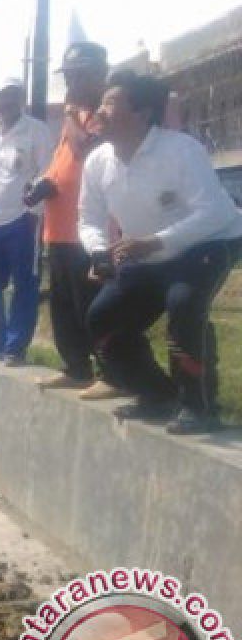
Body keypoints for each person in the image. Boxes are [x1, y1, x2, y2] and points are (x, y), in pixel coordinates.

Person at [81, 71, 242, 434]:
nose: (100, 111)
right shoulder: (98, 162)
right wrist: (98, 254)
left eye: (110, 104)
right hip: (146, 252)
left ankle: (199, 406)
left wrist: (153, 242)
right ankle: (156, 395)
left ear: (142, 114)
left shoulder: (182, 150)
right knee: (102, 318)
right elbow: (88, 217)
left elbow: (215, 213)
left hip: (209, 242)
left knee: (184, 303)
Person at [27, 43, 124, 401]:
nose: (71, 83)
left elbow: (84, 148)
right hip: (60, 228)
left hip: (92, 230)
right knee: (64, 305)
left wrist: (69, 111)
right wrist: (44, 184)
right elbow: (64, 163)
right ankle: (76, 367)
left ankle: (111, 372)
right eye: (68, 76)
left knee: (93, 304)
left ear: (98, 74)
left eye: (76, 75)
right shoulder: (76, 119)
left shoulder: (106, 113)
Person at [0, 77, 54, 365]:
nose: (6, 103)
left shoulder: (36, 131)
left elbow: (47, 173)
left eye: (12, 96)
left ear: (21, 98)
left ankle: (14, 346)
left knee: (24, 285)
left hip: (20, 220)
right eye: (0, 97)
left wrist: (35, 214)